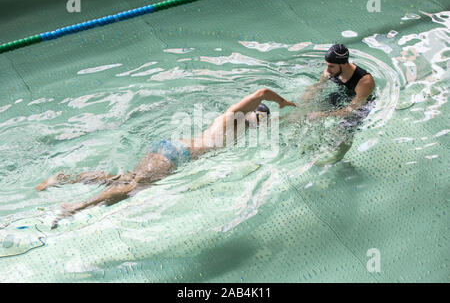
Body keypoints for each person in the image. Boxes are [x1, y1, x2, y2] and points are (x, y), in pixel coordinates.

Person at [36, 88, 296, 227]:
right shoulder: (231, 118)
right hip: (176, 154)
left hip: (174, 152)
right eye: (261, 116)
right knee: (130, 188)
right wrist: (282, 101)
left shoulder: (244, 130)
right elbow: (261, 93)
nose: (262, 122)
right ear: (252, 113)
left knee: (124, 180)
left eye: (265, 120)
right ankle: (75, 207)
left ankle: (65, 179)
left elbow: (279, 124)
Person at [301, 44, 376, 166]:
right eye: (327, 65)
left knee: (342, 132)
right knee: (313, 109)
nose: (328, 70)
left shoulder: (365, 81)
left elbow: (350, 110)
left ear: (344, 64)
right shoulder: (331, 71)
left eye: (331, 66)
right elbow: (318, 86)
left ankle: (339, 155)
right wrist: (308, 96)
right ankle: (317, 142)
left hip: (361, 105)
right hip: (343, 95)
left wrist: (322, 115)